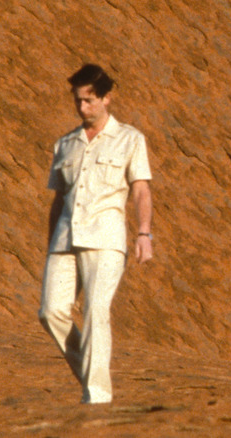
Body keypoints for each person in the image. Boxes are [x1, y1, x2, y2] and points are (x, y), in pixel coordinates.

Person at [38, 64, 153, 404]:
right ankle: (91, 376)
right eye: (78, 101)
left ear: (106, 98)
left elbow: (141, 189)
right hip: (64, 239)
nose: (82, 107)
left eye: (89, 100)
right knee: (50, 312)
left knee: (95, 312)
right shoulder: (66, 144)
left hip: (106, 238)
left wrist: (144, 233)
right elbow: (58, 200)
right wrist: (49, 248)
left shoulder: (130, 139)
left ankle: (97, 397)